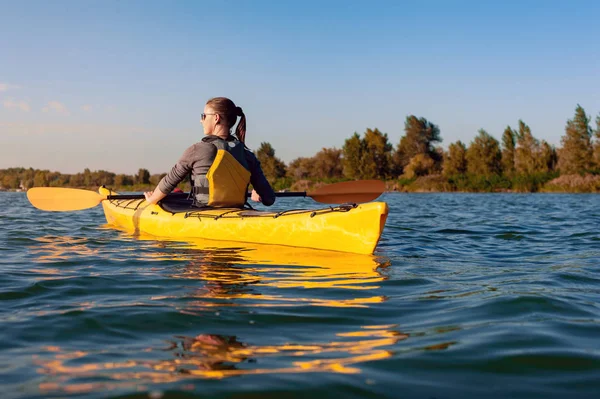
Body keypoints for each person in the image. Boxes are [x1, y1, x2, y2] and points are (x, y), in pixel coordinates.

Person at [144, 97, 275, 208]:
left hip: (204, 213)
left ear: (216, 118)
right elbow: (269, 199)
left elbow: (169, 182)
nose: (201, 120)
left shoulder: (197, 150)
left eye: (204, 116)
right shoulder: (247, 154)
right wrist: (258, 193)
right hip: (236, 212)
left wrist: (152, 199)